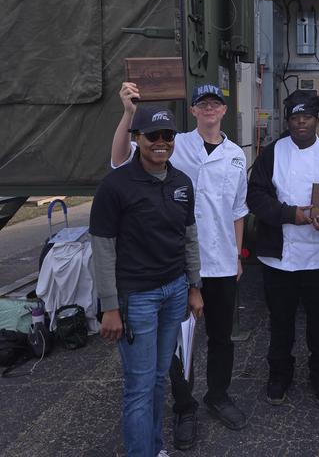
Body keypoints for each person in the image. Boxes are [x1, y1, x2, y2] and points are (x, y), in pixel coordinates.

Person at [112, 83, 249, 449]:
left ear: (224, 110)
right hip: (179, 262)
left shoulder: (237, 155)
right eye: (203, 104)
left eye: (215, 103)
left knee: (221, 336)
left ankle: (218, 395)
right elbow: (120, 160)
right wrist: (128, 113)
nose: (209, 109)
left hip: (221, 262)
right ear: (193, 111)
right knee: (177, 343)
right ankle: (184, 406)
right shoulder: (173, 143)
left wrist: (237, 255)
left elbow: (238, 211)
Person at [90, 105, 204, 457]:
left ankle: (154, 449)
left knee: (158, 379)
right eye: (152, 136)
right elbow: (103, 249)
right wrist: (110, 307)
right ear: (136, 138)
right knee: (139, 387)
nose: (160, 142)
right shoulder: (115, 186)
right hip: (136, 297)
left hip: (175, 291)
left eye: (167, 135)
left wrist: (194, 286)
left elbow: (189, 237)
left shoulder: (181, 182)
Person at [246, 89, 319, 406]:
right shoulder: (271, 154)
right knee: (280, 319)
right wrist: (292, 215)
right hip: (280, 257)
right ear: (288, 121)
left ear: (317, 119)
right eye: (295, 117)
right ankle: (279, 373)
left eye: (307, 116)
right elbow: (256, 197)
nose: (301, 122)